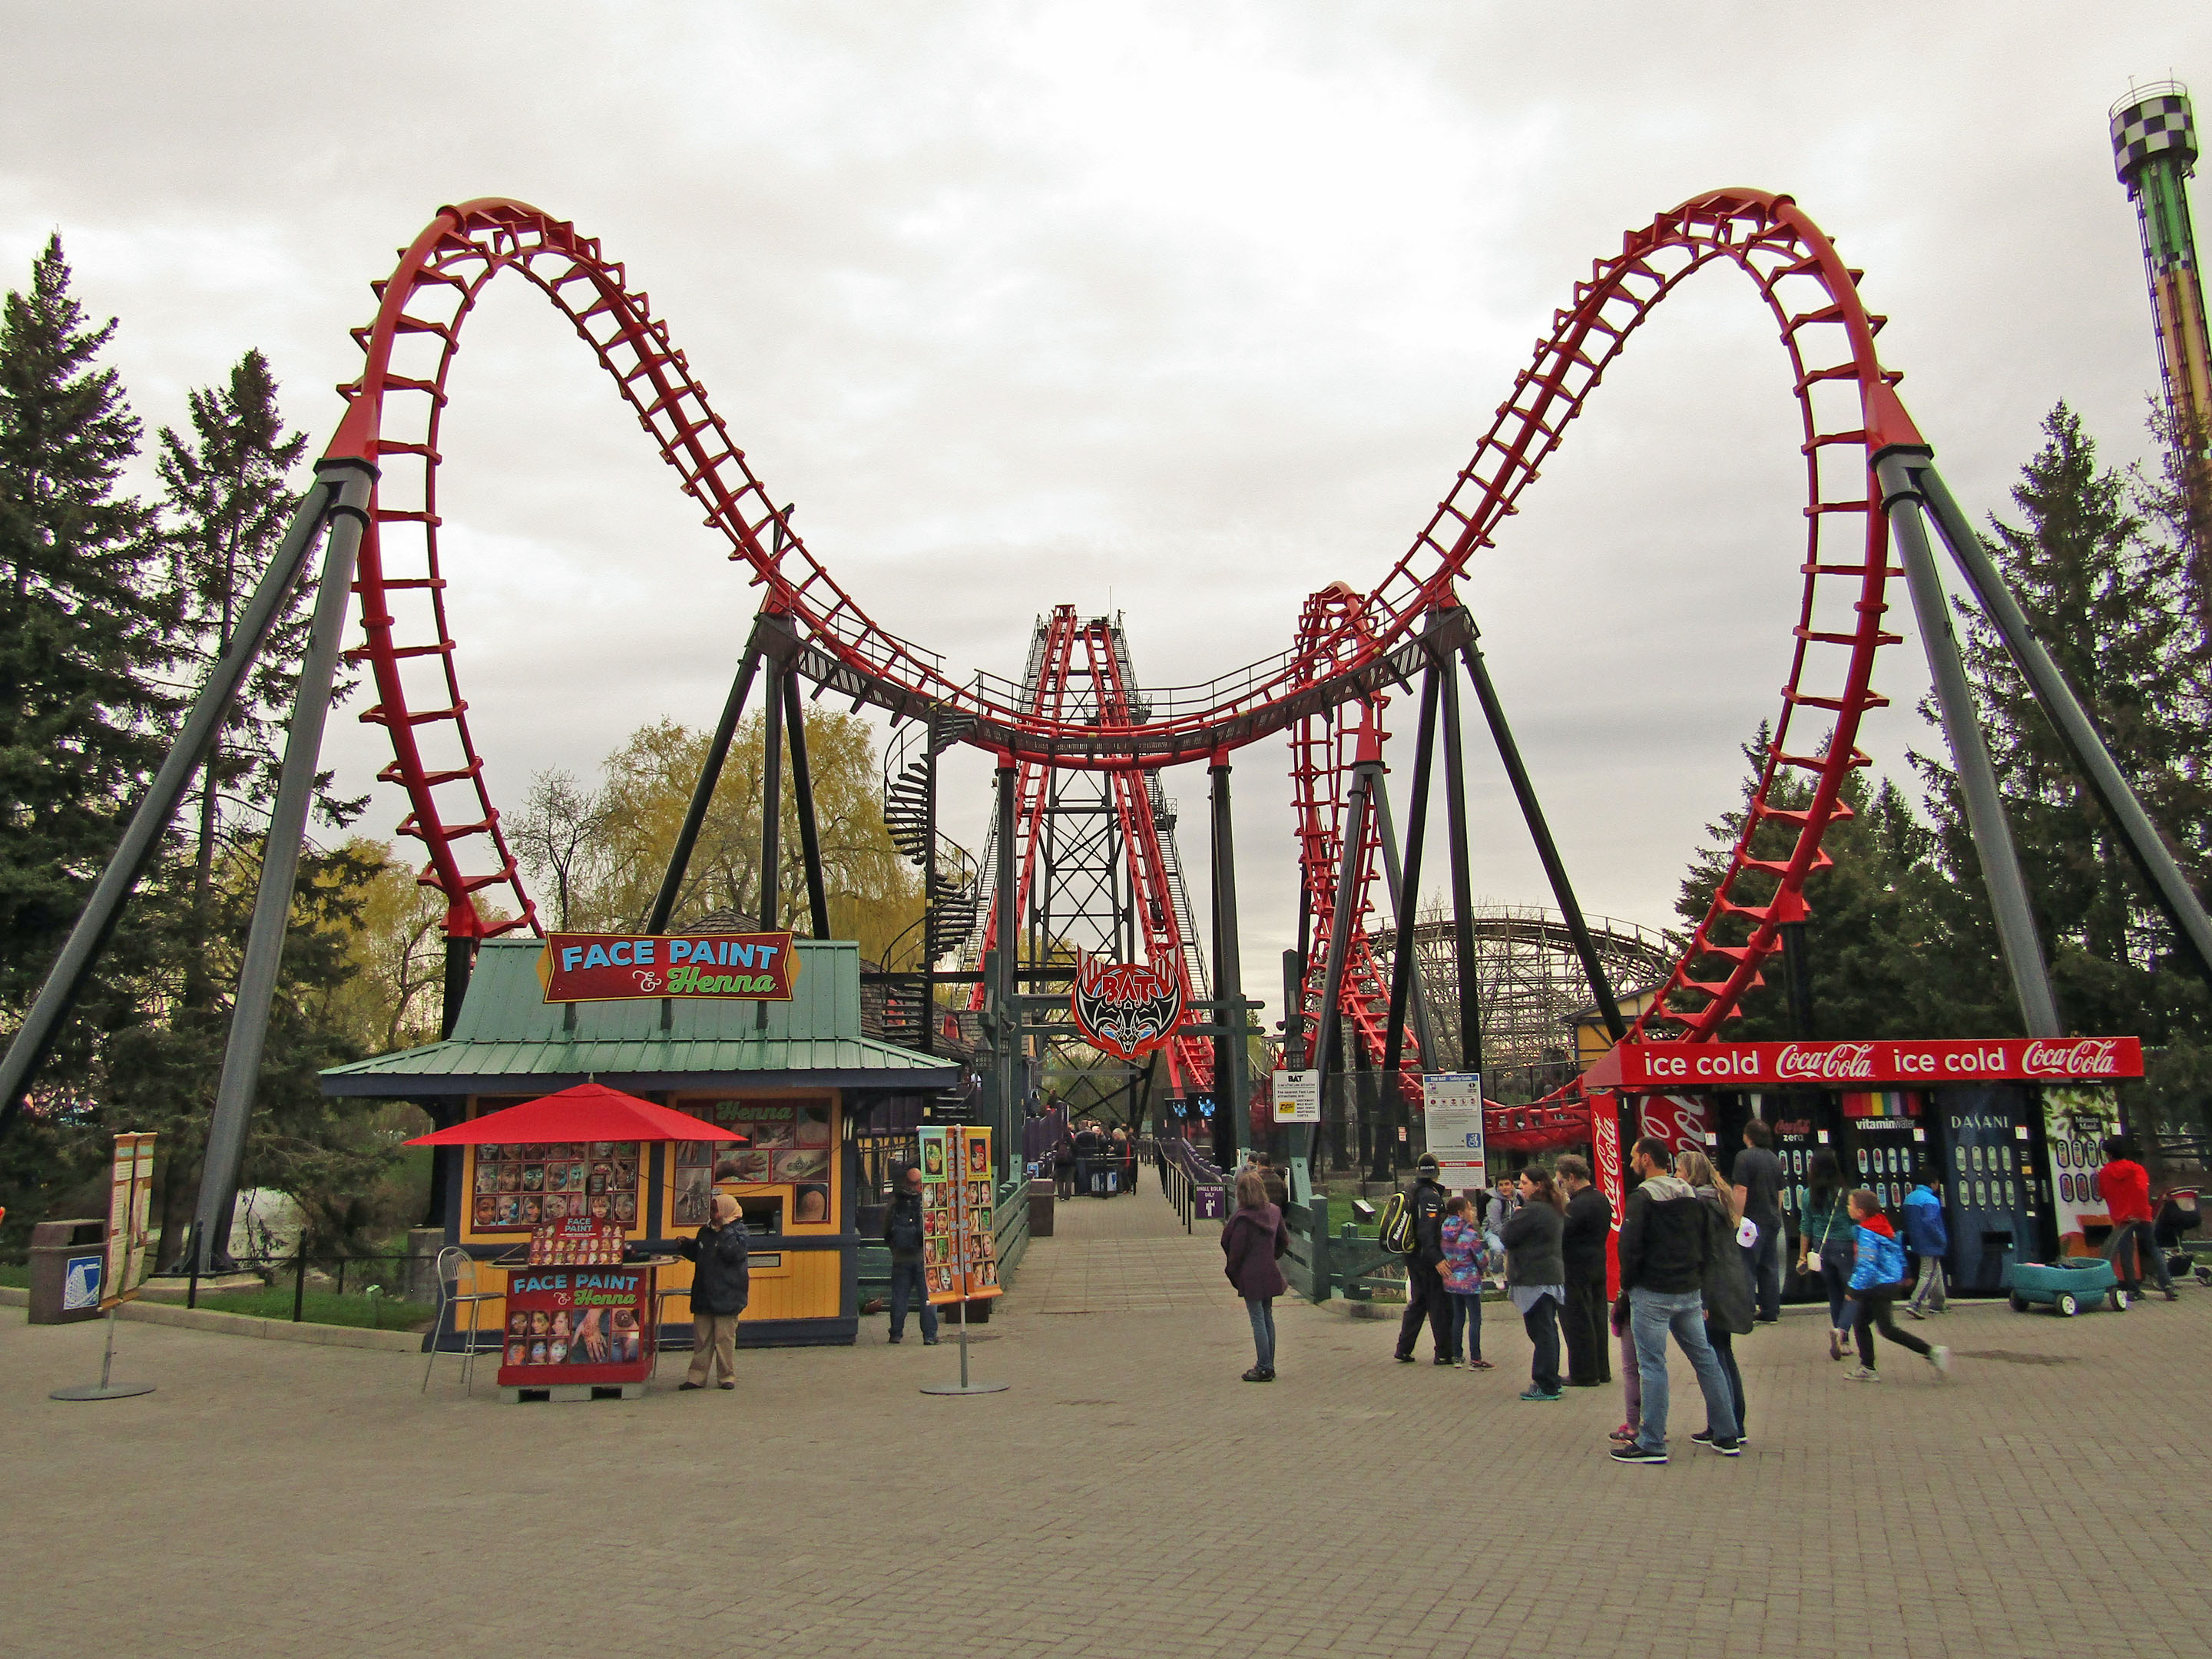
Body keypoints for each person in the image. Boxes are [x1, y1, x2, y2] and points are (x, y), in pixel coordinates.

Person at [1611, 1136, 1740, 1463]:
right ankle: (1728, 1434)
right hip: (1689, 1290)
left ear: (1647, 1160)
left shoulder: (1642, 1198)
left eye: (1634, 1156)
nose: (1630, 1163)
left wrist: (1628, 1287)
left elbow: (1630, 1247)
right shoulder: (1691, 1195)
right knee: (1706, 1359)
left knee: (1653, 1365)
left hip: (1652, 1291)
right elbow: (1706, 1243)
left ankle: (1652, 1442)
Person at [1677, 1148, 1755, 1446]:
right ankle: (1734, 1420)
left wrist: (1704, 1299)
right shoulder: (1721, 1199)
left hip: (1713, 1287)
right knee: (1724, 1353)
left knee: (1714, 1357)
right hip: (1730, 1281)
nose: (1677, 1177)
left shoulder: (1700, 1203)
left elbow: (1703, 1253)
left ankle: (1725, 1424)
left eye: (1680, 1171)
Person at [1843, 1188, 1949, 1379]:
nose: (1847, 1207)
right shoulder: (1882, 1224)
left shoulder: (1867, 1232)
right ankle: (1868, 1366)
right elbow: (1896, 1249)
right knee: (1862, 1323)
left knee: (1887, 1329)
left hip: (1877, 1285)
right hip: (1886, 1283)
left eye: (1850, 1204)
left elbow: (1866, 1265)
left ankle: (1931, 1352)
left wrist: (1853, 1288)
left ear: (1860, 1212)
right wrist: (1905, 1271)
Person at [1502, 1167, 1568, 1401]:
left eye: (1524, 1183)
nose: (1520, 1187)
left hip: (1535, 1277)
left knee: (1541, 1331)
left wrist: (1516, 1216)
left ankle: (1546, 1382)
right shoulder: (1553, 1208)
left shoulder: (1532, 1210)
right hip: (1549, 1275)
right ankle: (1552, 1379)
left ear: (1538, 1185)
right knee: (1548, 1329)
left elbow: (1507, 1236)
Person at [675, 1192, 750, 1391]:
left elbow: (733, 1253)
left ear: (726, 1211)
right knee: (701, 1339)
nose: (712, 1213)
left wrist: (724, 1230)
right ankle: (696, 1377)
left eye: (716, 1209)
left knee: (724, 1340)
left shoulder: (739, 1232)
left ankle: (727, 1377)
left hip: (728, 1294)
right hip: (704, 1293)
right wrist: (687, 1246)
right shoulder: (705, 1232)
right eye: (712, 1209)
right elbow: (699, 1254)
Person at [1221, 1167, 1288, 1381]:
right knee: (1268, 1317)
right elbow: (1283, 1241)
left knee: (1257, 1319)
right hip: (1269, 1270)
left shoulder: (1242, 1219)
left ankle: (1264, 1366)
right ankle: (1269, 1363)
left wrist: (1234, 1273)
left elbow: (1233, 1249)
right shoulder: (1274, 1212)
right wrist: (1272, 1256)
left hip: (1251, 1275)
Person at [2097, 1136, 2177, 1302]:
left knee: (2126, 1252)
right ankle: (2168, 1286)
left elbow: (2103, 1194)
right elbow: (2142, 1190)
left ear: (2109, 1154)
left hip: (2121, 1217)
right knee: (2153, 1248)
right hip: (2141, 1214)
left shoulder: (2105, 1173)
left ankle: (2133, 1289)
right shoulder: (2137, 1169)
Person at [1796, 1149, 1856, 1362]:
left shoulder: (1807, 1193)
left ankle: (1844, 1340)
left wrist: (1802, 1256)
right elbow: (1854, 1222)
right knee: (1853, 1292)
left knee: (1834, 1294)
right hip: (1845, 1246)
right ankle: (1842, 1332)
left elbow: (1805, 1225)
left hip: (1820, 1249)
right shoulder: (1844, 1193)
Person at [1392, 1154, 1452, 1365]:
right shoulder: (1430, 1196)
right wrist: (1437, 1259)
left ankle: (1404, 1349)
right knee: (1439, 1305)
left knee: (1418, 1302)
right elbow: (1427, 1232)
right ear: (1437, 1172)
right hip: (1426, 1258)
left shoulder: (1411, 1190)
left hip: (1411, 1255)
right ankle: (1444, 1353)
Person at [1557, 1154, 1611, 1388]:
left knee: (1577, 1320)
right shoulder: (1601, 1199)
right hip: (1597, 1263)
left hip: (1575, 1267)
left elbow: (1562, 1234)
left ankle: (1583, 1373)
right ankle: (1601, 1369)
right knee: (1598, 1317)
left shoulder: (1577, 1205)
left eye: (1561, 1181)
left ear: (1571, 1177)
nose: (1561, 1186)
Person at [1730, 1118, 1786, 1323]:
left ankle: (1745, 1311)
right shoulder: (1774, 1158)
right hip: (1771, 1219)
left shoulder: (1744, 1157)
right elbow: (1781, 1191)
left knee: (1746, 1265)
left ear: (1748, 1136)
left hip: (1750, 1221)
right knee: (1769, 1265)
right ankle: (1770, 1310)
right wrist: (1775, 1213)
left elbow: (1740, 1189)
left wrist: (1736, 1217)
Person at [882, 1164, 940, 1346]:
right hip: (925, 1258)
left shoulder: (895, 1201)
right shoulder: (928, 1201)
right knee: (928, 1298)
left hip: (901, 1258)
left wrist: (894, 1248)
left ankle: (896, 1334)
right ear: (920, 1184)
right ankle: (929, 1335)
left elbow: (886, 1227)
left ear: (906, 1181)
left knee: (899, 1297)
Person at [1438, 1195, 1492, 1369]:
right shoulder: (1469, 1234)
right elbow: (1481, 1259)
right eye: (1470, 1208)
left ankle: (1457, 1356)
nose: (1473, 1212)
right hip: (1470, 1282)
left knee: (1458, 1318)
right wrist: (1484, 1267)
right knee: (1475, 1319)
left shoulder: (1444, 1232)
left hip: (1452, 1281)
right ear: (1461, 1213)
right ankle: (1475, 1359)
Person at [1901, 1176, 1949, 1317]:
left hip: (1917, 1241)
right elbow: (1931, 1222)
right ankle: (1915, 1304)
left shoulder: (1910, 1198)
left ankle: (1938, 1304)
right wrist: (1942, 1239)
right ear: (1933, 1183)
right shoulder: (1930, 1200)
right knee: (1928, 1274)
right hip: (1931, 1243)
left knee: (1936, 1271)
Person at [1253, 1152, 1290, 1216]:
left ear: (1258, 1163)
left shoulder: (1254, 1179)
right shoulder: (1279, 1180)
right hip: (1274, 1217)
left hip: (1258, 1217)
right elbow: (1284, 1200)